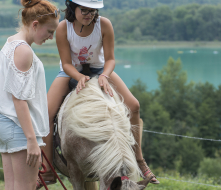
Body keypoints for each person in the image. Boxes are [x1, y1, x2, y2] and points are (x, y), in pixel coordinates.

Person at [42, 0, 160, 186]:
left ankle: (139, 160)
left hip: (100, 70)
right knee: (46, 114)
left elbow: (111, 58)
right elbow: (66, 63)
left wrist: (105, 74)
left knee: (134, 105)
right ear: (73, 7)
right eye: (84, 10)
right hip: (70, 71)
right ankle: (48, 168)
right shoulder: (64, 27)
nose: (89, 14)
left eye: (93, 10)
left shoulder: (104, 24)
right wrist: (79, 76)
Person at [0, 0, 59, 189]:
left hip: (4, 123)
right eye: (50, 31)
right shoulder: (24, 51)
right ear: (35, 24)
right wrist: (32, 140)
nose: (51, 37)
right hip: (18, 127)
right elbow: (18, 99)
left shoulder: (11, 42)